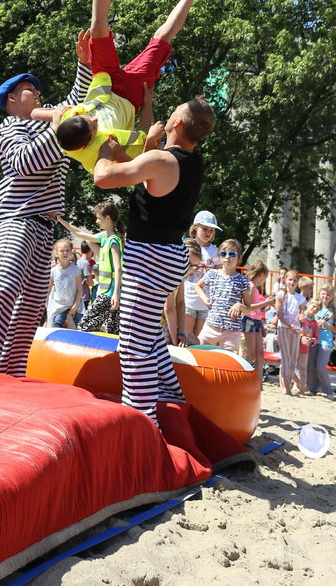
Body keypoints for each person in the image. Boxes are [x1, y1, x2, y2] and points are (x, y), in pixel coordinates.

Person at [0, 29, 92, 377]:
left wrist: (85, 62)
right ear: (14, 99)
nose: (40, 93)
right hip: (17, 219)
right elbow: (25, 163)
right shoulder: (12, 126)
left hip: (43, 226)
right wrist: (58, 128)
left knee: (31, 306)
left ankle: (10, 372)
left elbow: (79, 101)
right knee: (3, 284)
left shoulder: (47, 123)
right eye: (31, 89)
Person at [92, 95, 217, 424]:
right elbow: (150, 167)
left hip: (149, 257)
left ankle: (144, 425)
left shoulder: (162, 161)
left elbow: (103, 176)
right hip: (167, 255)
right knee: (149, 337)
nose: (169, 112)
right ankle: (173, 399)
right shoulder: (190, 160)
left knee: (133, 347)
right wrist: (147, 128)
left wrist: (105, 145)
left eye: (173, 111)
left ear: (176, 123)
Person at [53, 0, 211, 172]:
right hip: (131, 94)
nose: (94, 119)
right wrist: (147, 106)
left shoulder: (66, 128)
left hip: (104, 77)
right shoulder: (102, 154)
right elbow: (139, 162)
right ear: (88, 141)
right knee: (162, 37)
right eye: (93, 125)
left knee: (97, 28)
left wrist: (84, 61)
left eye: (89, 119)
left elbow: (49, 115)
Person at [60, 200, 124, 335]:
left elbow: (118, 269)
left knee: (84, 325)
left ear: (108, 218)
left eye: (99, 218)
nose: (96, 221)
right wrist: (60, 219)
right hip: (109, 292)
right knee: (113, 331)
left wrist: (115, 295)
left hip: (110, 294)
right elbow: (80, 234)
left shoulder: (113, 240)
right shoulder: (105, 237)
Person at [195, 238, 252, 352]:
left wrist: (239, 306)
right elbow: (197, 286)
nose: (227, 257)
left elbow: (248, 309)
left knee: (226, 363)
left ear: (238, 258)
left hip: (231, 331)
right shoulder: (212, 274)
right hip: (211, 326)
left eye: (232, 254)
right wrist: (205, 299)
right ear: (219, 257)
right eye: (223, 254)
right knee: (200, 355)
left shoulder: (242, 280)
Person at [275, 269, 305, 395]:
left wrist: (302, 318)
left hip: (295, 330)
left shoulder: (300, 298)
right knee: (286, 358)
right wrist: (289, 325)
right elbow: (279, 314)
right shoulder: (281, 295)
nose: (292, 282)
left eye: (294, 280)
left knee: (292, 359)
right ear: (285, 280)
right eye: (290, 279)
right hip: (284, 327)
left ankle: (292, 383)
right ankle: (286, 386)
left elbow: (302, 313)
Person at [307, 286, 336, 398]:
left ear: (332, 297)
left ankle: (328, 390)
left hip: (326, 341)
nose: (325, 297)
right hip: (313, 339)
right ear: (319, 294)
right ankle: (312, 388)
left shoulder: (333, 311)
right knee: (311, 365)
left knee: (321, 366)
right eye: (323, 294)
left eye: (328, 295)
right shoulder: (314, 306)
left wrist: (327, 325)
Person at [241, 259, 269, 381]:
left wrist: (261, 325)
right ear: (262, 274)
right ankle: (241, 377)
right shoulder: (250, 287)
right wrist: (265, 303)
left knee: (259, 355)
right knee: (251, 354)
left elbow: (255, 311)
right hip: (249, 320)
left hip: (256, 321)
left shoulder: (254, 287)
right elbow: (246, 308)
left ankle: (258, 383)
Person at [45, 238, 83, 328]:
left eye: (67, 251)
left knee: (76, 329)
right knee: (56, 324)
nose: (65, 253)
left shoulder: (75, 269)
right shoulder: (53, 271)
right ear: (57, 253)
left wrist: (75, 306)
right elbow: (48, 291)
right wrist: (48, 307)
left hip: (73, 305)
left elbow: (80, 290)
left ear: (71, 253)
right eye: (62, 251)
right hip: (58, 306)